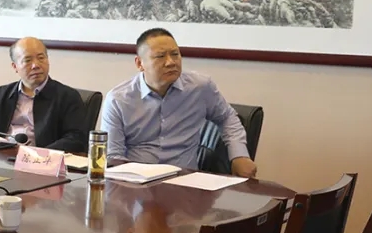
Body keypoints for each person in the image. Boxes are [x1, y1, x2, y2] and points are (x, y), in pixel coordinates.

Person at [100, 28, 257, 178]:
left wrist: (239, 155)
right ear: (140, 63)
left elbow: (227, 117)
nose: (170, 62)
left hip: (185, 181)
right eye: (160, 56)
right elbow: (114, 157)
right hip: (137, 183)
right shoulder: (118, 100)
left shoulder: (200, 88)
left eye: (175, 54)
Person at [0, 37, 88, 152]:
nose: (35, 65)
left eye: (41, 58)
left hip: (42, 159)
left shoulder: (67, 97)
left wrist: (39, 155)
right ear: (15, 67)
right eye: (27, 60)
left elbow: (76, 138)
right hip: (0, 157)